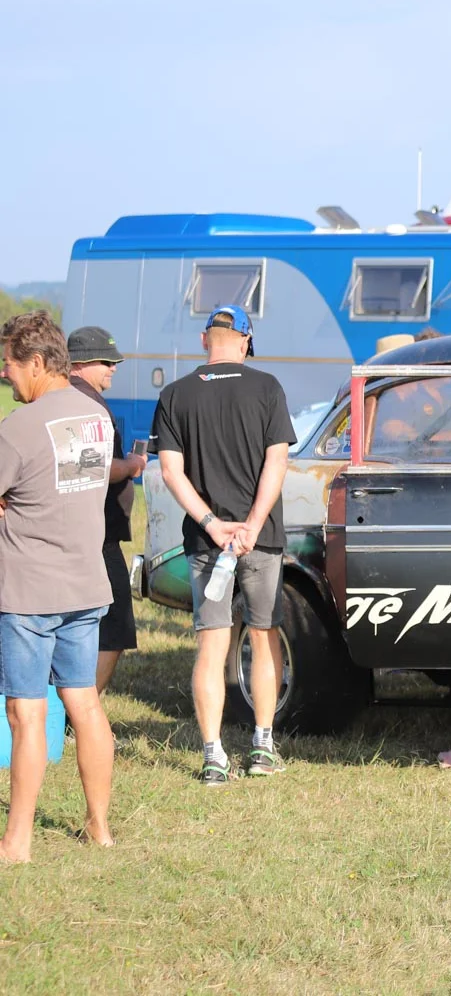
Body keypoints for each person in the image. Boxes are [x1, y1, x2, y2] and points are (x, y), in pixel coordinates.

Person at [150, 305, 297, 785]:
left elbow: (171, 472)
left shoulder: (175, 394)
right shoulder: (268, 388)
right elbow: (277, 463)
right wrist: (251, 524)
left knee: (211, 645)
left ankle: (213, 756)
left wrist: (212, 524)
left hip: (206, 541)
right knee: (263, 636)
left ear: (203, 340)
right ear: (246, 342)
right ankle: (262, 747)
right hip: (260, 539)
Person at [0, 311, 116, 860]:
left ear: (38, 363)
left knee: (26, 714)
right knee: (85, 704)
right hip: (86, 585)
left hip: (29, 592)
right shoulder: (97, 417)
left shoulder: (18, 427)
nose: (6, 373)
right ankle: (100, 827)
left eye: (10, 363)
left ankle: (17, 840)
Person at [67, 326, 148, 690]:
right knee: (115, 629)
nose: (113, 368)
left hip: (76, 532)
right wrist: (131, 465)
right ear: (80, 363)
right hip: (97, 536)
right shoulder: (89, 404)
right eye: (106, 361)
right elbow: (93, 468)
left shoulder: (64, 398)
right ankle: (80, 710)